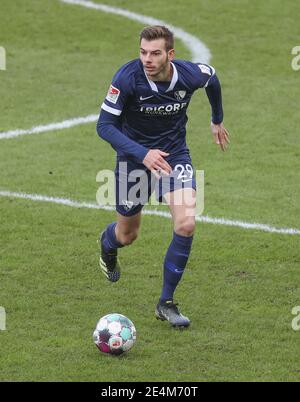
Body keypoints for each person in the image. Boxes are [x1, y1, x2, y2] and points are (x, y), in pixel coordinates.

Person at [96, 25, 229, 328]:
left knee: (186, 224)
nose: (147, 59)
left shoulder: (189, 74)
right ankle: (108, 243)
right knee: (127, 235)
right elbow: (104, 126)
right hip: (134, 159)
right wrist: (143, 154)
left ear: (171, 54)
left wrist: (216, 119)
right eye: (143, 52)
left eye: (155, 53)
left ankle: (165, 303)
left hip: (174, 156)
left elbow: (212, 78)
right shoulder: (126, 78)